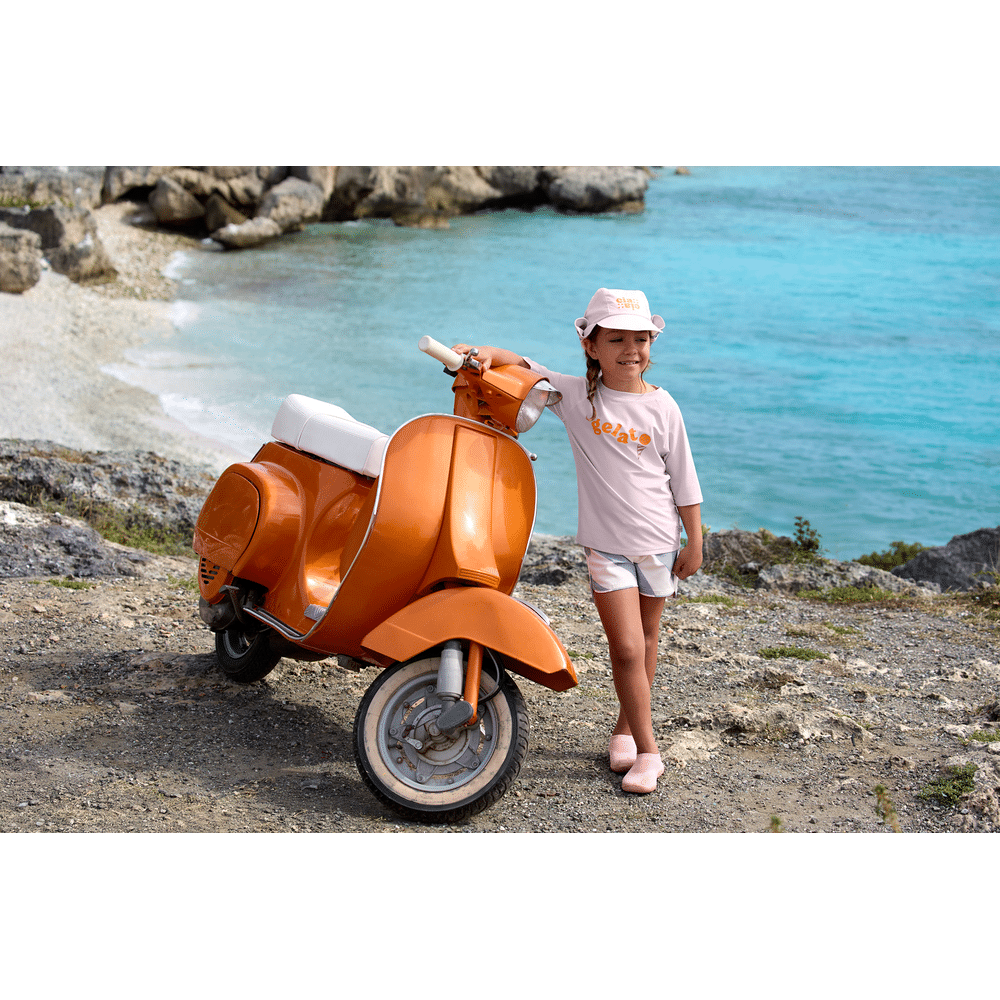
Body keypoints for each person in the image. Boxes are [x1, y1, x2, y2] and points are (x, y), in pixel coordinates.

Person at [452, 287, 703, 794]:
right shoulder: (576, 396)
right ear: (591, 345)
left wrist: (694, 540)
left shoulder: (664, 406)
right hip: (605, 547)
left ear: (651, 344)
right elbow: (525, 367)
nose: (631, 350)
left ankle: (626, 730)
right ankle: (650, 753)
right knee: (626, 647)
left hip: (659, 542)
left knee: (647, 639)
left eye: (640, 339)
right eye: (617, 340)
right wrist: (479, 354)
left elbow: (684, 479)